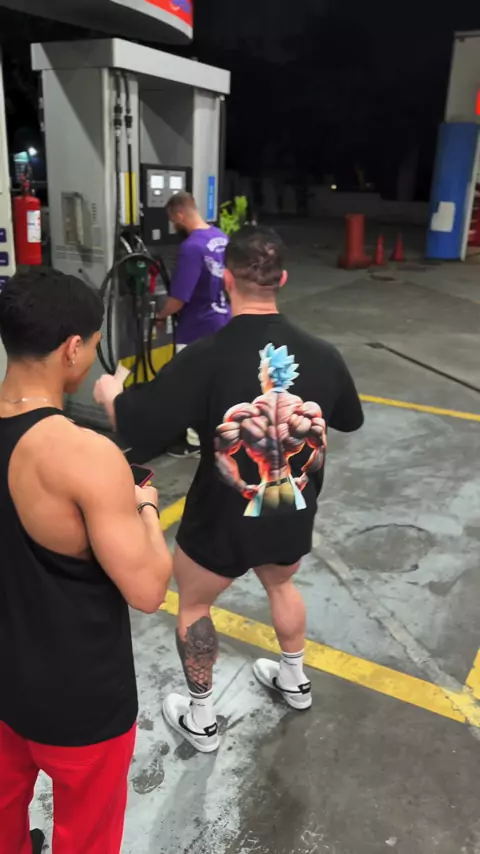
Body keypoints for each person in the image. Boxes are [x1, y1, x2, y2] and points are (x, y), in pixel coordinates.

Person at [94, 226, 364, 754]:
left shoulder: (205, 357)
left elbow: (140, 429)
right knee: (282, 586)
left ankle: (201, 718)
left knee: (195, 606)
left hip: (221, 519)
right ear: (282, 280)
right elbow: (348, 420)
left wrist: (111, 396)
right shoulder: (325, 354)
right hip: (291, 508)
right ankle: (295, 679)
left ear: (226, 279)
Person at [0, 269, 172, 854]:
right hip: (80, 699)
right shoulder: (83, 454)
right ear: (72, 348)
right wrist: (145, 507)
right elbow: (148, 590)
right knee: (88, 838)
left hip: (5, 684)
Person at [157, 191, 230, 458]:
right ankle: (217, 437)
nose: (173, 226)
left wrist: (159, 315)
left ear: (179, 215)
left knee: (190, 386)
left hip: (197, 327)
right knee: (215, 385)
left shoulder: (191, 247)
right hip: (223, 320)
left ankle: (194, 441)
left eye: (172, 220)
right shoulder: (221, 238)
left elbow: (179, 298)